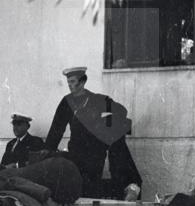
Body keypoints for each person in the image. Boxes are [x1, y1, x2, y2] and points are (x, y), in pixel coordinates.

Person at [44, 67, 142, 198]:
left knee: (91, 188)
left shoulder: (98, 100)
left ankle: (128, 188)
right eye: (68, 82)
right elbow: (56, 129)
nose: (70, 85)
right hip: (76, 151)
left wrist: (103, 118)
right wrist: (47, 151)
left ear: (82, 82)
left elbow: (121, 111)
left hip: (95, 153)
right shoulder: (66, 102)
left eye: (73, 82)